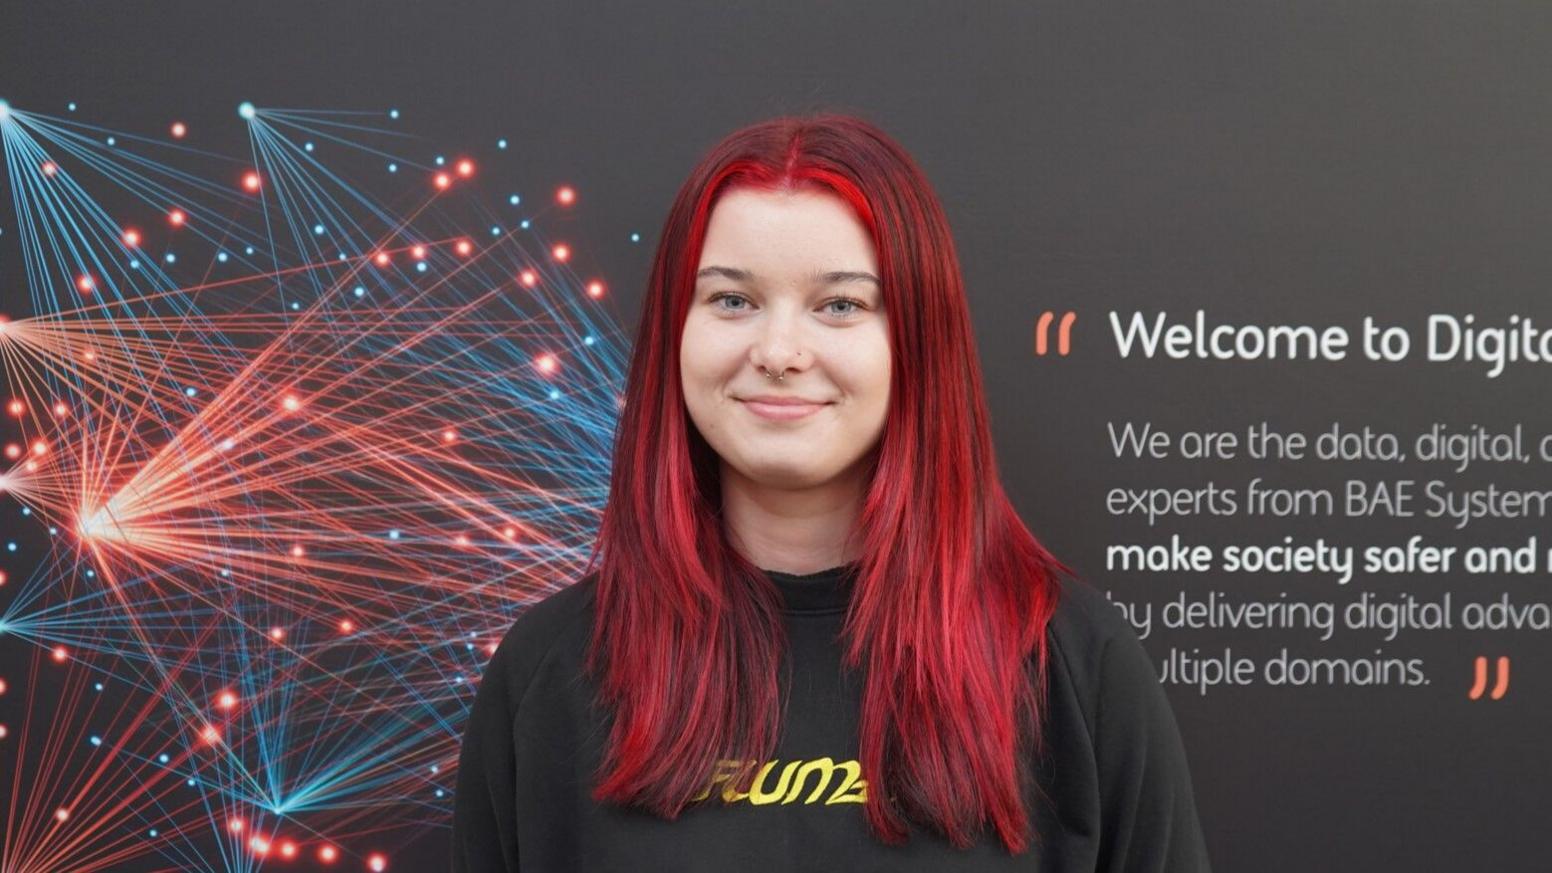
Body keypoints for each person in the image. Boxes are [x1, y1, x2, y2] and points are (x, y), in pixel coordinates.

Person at [452, 113, 1212, 872]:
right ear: (674, 332)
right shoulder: (548, 671)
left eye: (841, 304)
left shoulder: (1071, 665)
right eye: (732, 300)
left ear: (918, 338)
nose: (779, 351)